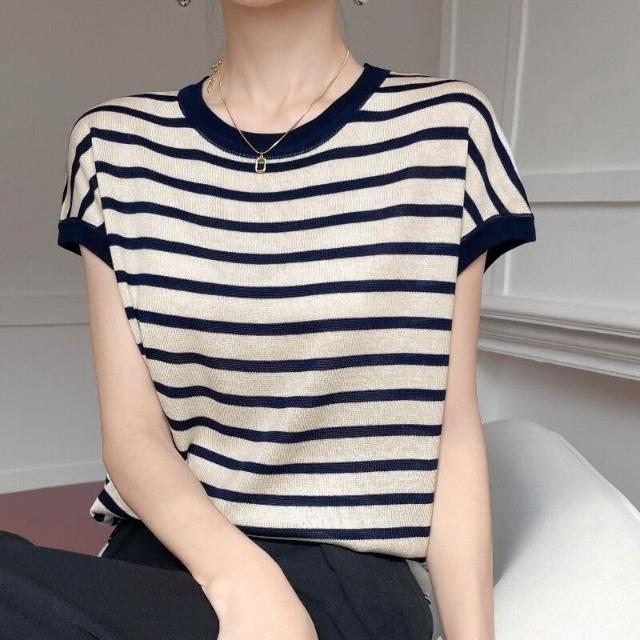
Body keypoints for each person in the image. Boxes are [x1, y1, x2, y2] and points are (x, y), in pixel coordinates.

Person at [0, 0, 537, 638]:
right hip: (173, 554)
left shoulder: (445, 131)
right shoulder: (113, 146)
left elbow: (452, 431)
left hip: (346, 576)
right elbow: (132, 435)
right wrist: (242, 579)